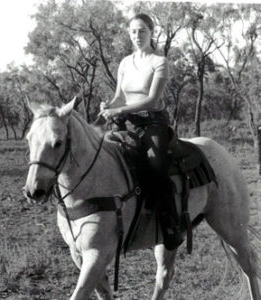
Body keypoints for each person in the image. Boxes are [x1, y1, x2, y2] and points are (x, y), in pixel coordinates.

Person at [99, 13, 183, 250]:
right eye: (134, 31)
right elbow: (119, 96)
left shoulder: (160, 62)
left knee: (157, 167)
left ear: (151, 32)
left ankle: (170, 225)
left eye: (142, 31)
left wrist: (119, 110)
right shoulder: (125, 63)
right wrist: (110, 106)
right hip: (127, 123)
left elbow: (151, 100)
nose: (137, 36)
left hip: (153, 124)